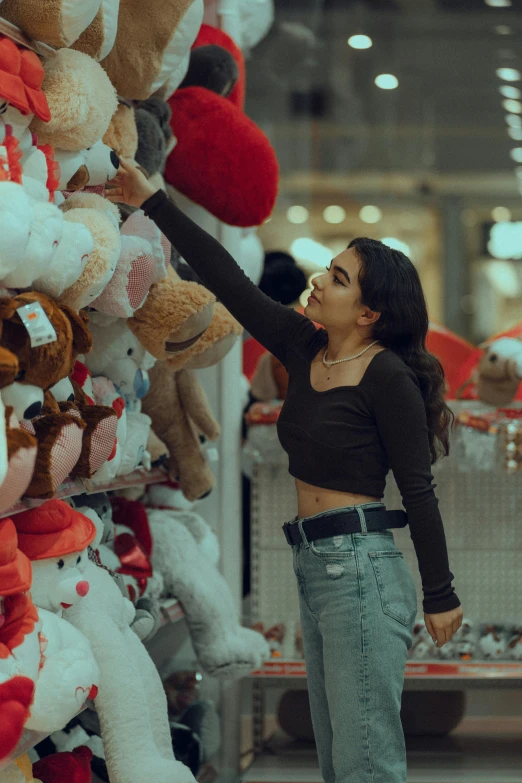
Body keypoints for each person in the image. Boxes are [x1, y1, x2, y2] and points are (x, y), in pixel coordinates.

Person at [106, 160, 464, 783]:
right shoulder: (306, 348)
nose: (321, 280)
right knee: (336, 760)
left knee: (366, 764)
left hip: (363, 570)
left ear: (370, 313)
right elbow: (230, 283)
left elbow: (418, 490)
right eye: (329, 267)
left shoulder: (389, 378)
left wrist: (441, 593)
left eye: (340, 277)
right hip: (317, 564)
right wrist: (154, 202)